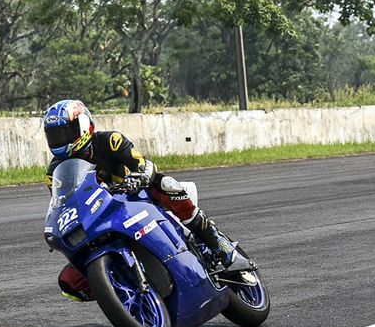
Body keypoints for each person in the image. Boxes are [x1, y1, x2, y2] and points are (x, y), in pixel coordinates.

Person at [42, 99, 237, 301]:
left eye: (65, 133)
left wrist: (141, 176)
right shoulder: (54, 171)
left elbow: (144, 164)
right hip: (102, 212)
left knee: (166, 184)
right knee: (69, 282)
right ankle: (120, 285)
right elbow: (64, 203)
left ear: (83, 125)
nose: (59, 141)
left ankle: (217, 243)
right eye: (54, 136)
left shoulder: (110, 140)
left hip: (135, 195)